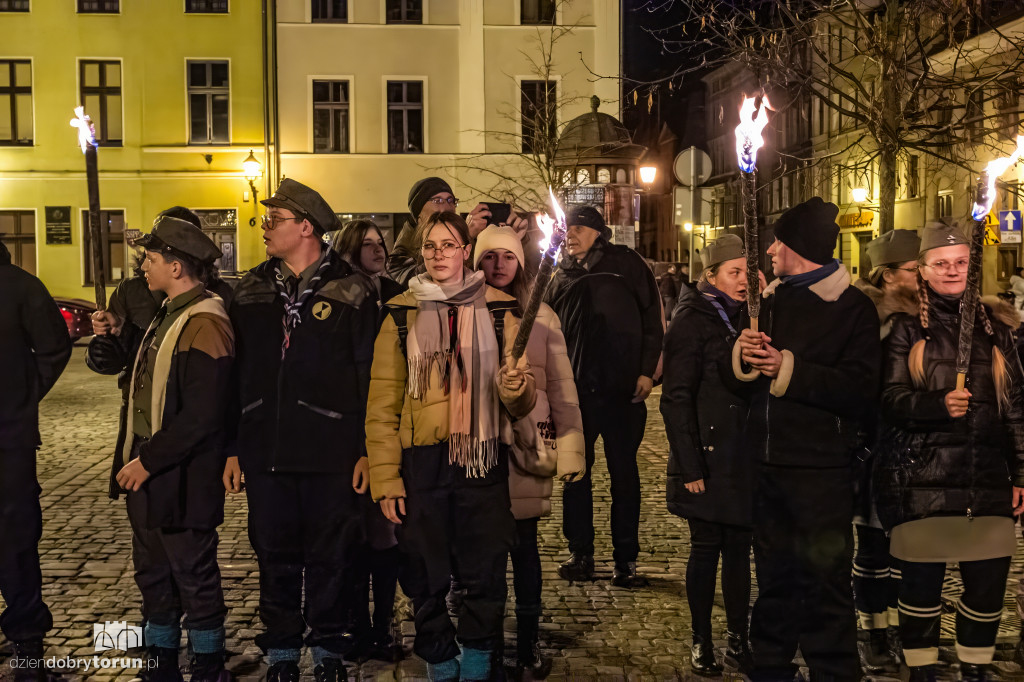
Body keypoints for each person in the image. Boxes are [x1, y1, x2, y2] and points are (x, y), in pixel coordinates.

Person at [365, 211, 535, 682]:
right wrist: (387, 478)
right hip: (423, 463)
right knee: (424, 574)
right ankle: (440, 661)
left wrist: (517, 385)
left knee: (485, 573)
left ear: (466, 250)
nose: (439, 255)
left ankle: (478, 665)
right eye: (430, 247)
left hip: (482, 458)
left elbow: (521, 402)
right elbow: (382, 405)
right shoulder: (400, 315)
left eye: (449, 245)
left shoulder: (502, 312)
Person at [223, 179, 377, 682]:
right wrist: (231, 447)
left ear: (306, 227)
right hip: (264, 449)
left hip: (331, 451)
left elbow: (368, 375)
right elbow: (234, 376)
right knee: (273, 555)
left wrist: (365, 450)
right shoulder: (248, 290)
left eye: (275, 220)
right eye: (265, 220)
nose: (264, 227)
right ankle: (283, 653)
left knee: (332, 556)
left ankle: (330, 652)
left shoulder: (353, 289)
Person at [735, 197, 881, 682]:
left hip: (822, 473)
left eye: (778, 241)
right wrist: (739, 354)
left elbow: (859, 389)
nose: (771, 250)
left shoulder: (852, 307)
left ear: (799, 246)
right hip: (768, 467)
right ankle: (771, 668)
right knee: (774, 581)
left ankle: (834, 671)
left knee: (825, 584)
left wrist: (788, 369)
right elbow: (733, 380)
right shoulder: (767, 303)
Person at [874, 222, 1024, 682]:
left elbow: (1016, 407)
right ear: (922, 270)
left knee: (985, 592)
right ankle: (921, 673)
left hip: (986, 482)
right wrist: (937, 406)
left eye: (961, 262)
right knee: (921, 593)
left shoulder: (998, 328)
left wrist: (1020, 473)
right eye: (942, 264)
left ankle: (975, 672)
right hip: (924, 482)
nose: (952, 270)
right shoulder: (904, 329)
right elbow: (889, 399)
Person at [117, 216, 235, 681]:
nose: (143, 266)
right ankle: (161, 659)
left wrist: (148, 460)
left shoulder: (204, 320)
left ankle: (208, 665)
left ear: (177, 266)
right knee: (154, 575)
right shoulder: (169, 312)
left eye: (150, 259)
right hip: (156, 472)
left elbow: (203, 414)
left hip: (183, 475)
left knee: (194, 576)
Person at [474, 225, 585, 678]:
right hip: (479, 448)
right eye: (488, 257)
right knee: (484, 556)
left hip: (526, 446)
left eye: (507, 257)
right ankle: (488, 642)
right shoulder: (464, 312)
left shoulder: (543, 318)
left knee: (525, 550)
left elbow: (562, 388)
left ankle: (528, 640)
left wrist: (572, 448)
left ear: (521, 264)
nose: (498, 265)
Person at [543, 205, 663, 587]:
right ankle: (581, 553)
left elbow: (651, 321)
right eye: (568, 228)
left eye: (579, 227)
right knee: (575, 475)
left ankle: (625, 560)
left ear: (598, 231)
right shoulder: (560, 273)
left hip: (623, 391)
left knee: (624, 477)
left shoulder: (626, 264)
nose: (571, 234)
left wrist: (646, 370)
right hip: (576, 393)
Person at [90, 206, 232, 501]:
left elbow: (206, 405)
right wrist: (105, 339)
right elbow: (113, 358)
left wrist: (233, 449)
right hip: (141, 427)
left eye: (152, 258)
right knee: (147, 528)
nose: (144, 265)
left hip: (179, 438)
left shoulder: (211, 307)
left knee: (178, 520)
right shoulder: (133, 292)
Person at [661, 235, 754, 677]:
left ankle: (739, 636)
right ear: (710, 275)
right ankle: (701, 638)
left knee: (739, 550)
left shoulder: (752, 316)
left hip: (743, 457)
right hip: (706, 456)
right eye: (733, 272)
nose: (743, 281)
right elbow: (676, 397)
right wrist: (691, 465)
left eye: (746, 272)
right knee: (706, 548)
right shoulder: (691, 319)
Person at [0, 237, 72, 682]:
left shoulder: (21, 287)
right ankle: (25, 643)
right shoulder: (22, 286)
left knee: (15, 537)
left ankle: (26, 642)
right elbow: (52, 350)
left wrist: (23, 400)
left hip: (8, 437)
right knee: (16, 539)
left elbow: (53, 349)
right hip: (10, 433)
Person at [333, 218, 404, 662]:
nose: (378, 250)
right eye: (369, 244)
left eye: (382, 243)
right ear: (350, 249)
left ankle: (383, 623)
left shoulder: (396, 293)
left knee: (386, 538)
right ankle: (355, 623)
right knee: (354, 540)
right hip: (349, 435)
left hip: (387, 428)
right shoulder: (342, 295)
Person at [850, 228, 921, 673]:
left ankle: (897, 626)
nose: (921, 278)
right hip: (877, 446)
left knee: (906, 546)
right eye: (914, 271)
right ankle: (873, 629)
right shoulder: (871, 321)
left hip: (915, 449)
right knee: (874, 544)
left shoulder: (927, 316)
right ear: (889, 275)